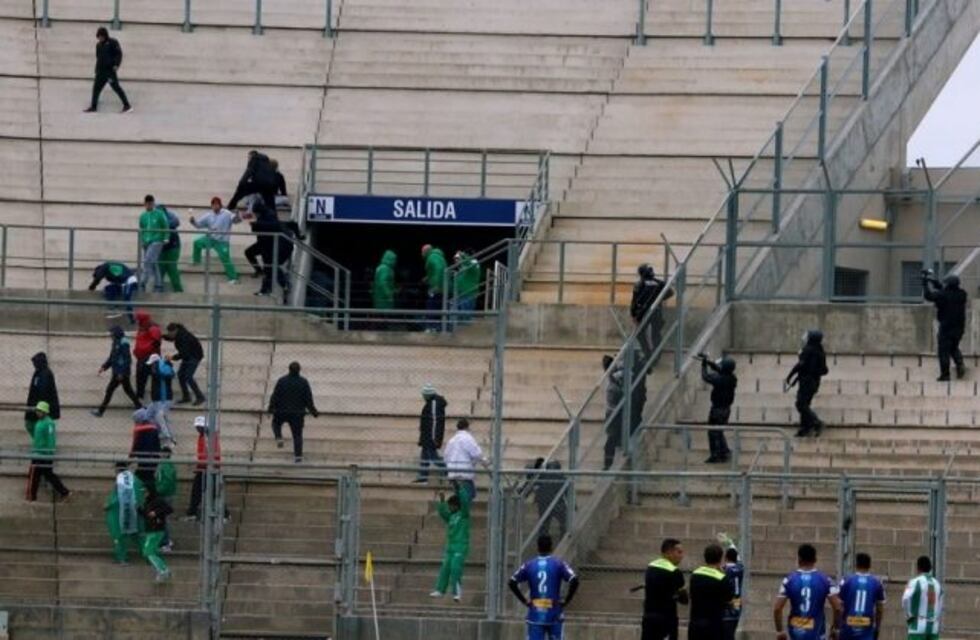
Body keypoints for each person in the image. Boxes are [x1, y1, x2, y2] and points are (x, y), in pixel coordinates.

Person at [508, 534, 580, 640]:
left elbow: (512, 582)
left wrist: (524, 601)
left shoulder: (529, 565)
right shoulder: (559, 564)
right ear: (551, 547)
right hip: (554, 613)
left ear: (537, 547)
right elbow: (574, 580)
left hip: (535, 614)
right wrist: (566, 600)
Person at [773, 543, 842, 640]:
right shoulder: (825, 580)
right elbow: (838, 607)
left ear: (799, 559)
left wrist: (780, 631)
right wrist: (836, 628)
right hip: (817, 634)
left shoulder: (789, 580)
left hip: (795, 633)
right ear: (815, 559)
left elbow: (777, 608)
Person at [267, 361, 319, 463]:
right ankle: (298, 457)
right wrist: (314, 412)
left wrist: (270, 408)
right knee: (297, 435)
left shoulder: (282, 381)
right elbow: (308, 399)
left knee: (276, 424)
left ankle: (279, 437)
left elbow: (275, 396)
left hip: (282, 411)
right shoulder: (303, 382)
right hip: (297, 413)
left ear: (289, 369)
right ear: (299, 370)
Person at [430, 483, 472, 603]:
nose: (450, 508)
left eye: (451, 506)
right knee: (445, 568)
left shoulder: (464, 515)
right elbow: (443, 513)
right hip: (450, 547)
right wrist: (442, 500)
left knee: (455, 569)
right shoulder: (452, 517)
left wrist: (458, 488)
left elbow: (464, 501)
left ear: (456, 505)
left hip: (460, 547)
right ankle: (440, 590)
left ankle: (457, 593)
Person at [923, 271, 967, 381]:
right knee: (953, 347)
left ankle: (945, 374)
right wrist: (937, 284)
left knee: (943, 351)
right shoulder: (962, 294)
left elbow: (929, 296)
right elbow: (947, 292)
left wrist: (925, 284)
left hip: (946, 327)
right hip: (959, 328)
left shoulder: (943, 295)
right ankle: (960, 363)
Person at [785, 330, 829, 438]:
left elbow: (800, 365)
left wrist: (790, 375)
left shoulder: (808, 350)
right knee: (805, 404)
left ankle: (816, 423)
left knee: (800, 404)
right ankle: (805, 427)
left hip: (806, 382)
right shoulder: (820, 351)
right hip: (814, 382)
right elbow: (824, 370)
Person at [643, 538, 689, 640]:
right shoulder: (674, 572)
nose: (682, 556)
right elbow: (683, 600)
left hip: (648, 617)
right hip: (666, 619)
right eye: (679, 552)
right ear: (669, 552)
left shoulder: (651, 566)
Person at [25, 402, 71, 502]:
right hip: (39, 453)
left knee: (34, 475)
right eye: (37, 410)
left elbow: (51, 439)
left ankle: (31, 497)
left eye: (40, 411)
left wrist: (49, 453)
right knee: (47, 475)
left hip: (42, 454)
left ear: (45, 412)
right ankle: (64, 492)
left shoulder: (48, 423)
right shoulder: (40, 422)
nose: (38, 412)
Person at [91, 325, 141, 417]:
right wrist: (104, 367)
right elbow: (112, 357)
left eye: (112, 333)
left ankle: (100, 411)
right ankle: (140, 408)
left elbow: (127, 359)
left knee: (110, 390)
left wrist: (121, 373)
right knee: (128, 390)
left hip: (120, 373)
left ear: (116, 333)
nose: (111, 335)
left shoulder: (123, 343)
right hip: (118, 372)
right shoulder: (116, 342)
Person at [688, 543, 734, 640]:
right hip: (713, 626)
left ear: (705, 557)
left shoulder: (695, 574)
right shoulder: (722, 578)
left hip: (695, 624)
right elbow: (729, 599)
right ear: (720, 558)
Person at [186, 416, 229, 520]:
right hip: (204, 467)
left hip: (210, 467)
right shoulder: (204, 436)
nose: (198, 429)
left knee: (212, 492)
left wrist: (203, 464)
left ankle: (225, 514)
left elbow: (212, 454)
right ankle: (192, 512)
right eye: (197, 427)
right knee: (200, 491)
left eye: (199, 427)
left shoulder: (209, 436)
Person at [191, 197, 241, 284]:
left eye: (217, 204)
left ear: (220, 205)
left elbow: (237, 221)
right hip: (210, 239)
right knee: (197, 243)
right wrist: (193, 221)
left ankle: (233, 278)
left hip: (222, 242)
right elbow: (198, 225)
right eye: (213, 204)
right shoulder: (208, 215)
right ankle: (196, 261)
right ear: (211, 206)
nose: (215, 206)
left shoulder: (227, 213)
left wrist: (237, 215)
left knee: (225, 259)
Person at [630, 264, 673, 363]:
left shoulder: (640, 284)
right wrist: (658, 299)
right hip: (653, 312)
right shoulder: (659, 283)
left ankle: (650, 355)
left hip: (645, 313)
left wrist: (633, 314)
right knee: (654, 334)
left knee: (643, 334)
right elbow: (670, 292)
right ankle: (654, 356)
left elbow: (634, 301)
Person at [105, 462, 146, 565]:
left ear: (117, 469)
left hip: (120, 513)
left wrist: (108, 504)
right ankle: (149, 557)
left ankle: (122, 558)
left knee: (120, 536)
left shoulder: (120, 480)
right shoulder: (135, 479)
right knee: (137, 536)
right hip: (136, 511)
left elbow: (117, 497)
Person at [84, 27, 132, 113]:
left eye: (101, 37)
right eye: (98, 37)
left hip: (109, 72)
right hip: (100, 72)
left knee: (116, 88)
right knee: (96, 89)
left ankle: (127, 106)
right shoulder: (98, 45)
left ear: (105, 35)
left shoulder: (113, 42)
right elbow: (98, 57)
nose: (100, 38)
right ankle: (93, 107)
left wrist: (116, 64)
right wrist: (97, 69)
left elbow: (119, 54)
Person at [838, 552, 885, 640]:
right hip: (866, 629)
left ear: (856, 565)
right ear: (869, 565)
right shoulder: (877, 583)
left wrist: (837, 626)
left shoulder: (846, 580)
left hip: (848, 629)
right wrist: (877, 628)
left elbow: (839, 607)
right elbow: (880, 609)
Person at [699, 354, 736, 463]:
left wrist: (703, 365)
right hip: (726, 409)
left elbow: (705, 376)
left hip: (717, 410)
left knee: (713, 432)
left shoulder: (719, 379)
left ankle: (715, 455)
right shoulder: (732, 378)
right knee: (719, 431)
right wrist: (711, 363)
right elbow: (722, 370)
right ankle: (724, 452)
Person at [443, 418, 488, 502]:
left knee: (459, 496)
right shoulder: (467, 438)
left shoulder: (452, 440)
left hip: (453, 474)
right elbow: (476, 453)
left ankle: (458, 509)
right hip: (464, 474)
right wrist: (485, 461)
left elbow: (446, 456)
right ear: (467, 427)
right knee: (469, 495)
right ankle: (463, 510)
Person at [523, 459, 568, 538]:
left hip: (546, 502)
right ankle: (563, 537)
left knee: (545, 523)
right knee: (562, 522)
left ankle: (545, 538)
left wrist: (523, 494)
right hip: (556, 503)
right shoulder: (561, 477)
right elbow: (568, 492)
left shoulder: (543, 475)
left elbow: (530, 483)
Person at [163, 323, 206, 406]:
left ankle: (200, 397)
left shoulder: (183, 337)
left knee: (188, 376)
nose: (169, 335)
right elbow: (171, 338)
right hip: (188, 356)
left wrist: (172, 357)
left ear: (175, 331)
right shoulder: (179, 334)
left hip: (194, 356)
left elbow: (184, 352)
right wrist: (162, 336)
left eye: (170, 333)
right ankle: (186, 397)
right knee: (181, 375)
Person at [902, 555, 942, 640]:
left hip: (918, 624)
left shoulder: (915, 581)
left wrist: (909, 616)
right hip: (933, 626)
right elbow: (940, 604)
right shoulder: (937, 584)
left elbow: (905, 599)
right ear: (930, 568)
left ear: (918, 568)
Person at [414, 384, 446, 483]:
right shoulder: (431, 403)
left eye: (424, 395)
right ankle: (423, 477)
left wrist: (435, 438)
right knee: (424, 456)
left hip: (430, 436)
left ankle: (448, 471)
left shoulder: (434, 403)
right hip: (427, 436)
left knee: (433, 457)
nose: (423, 397)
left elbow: (435, 422)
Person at [138, 195, 170, 293]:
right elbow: (142, 229)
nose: (149, 206)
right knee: (153, 262)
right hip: (146, 241)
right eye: (147, 204)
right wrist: (142, 240)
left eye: (151, 204)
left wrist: (166, 237)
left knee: (147, 260)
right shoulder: (143, 216)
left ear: (153, 203)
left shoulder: (159, 214)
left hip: (157, 240)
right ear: (145, 204)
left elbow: (165, 226)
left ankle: (142, 282)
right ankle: (158, 285)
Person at [25, 352, 60, 437]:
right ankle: (38, 441)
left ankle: (40, 442)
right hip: (36, 404)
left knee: (36, 426)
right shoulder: (38, 372)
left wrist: (40, 407)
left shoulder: (45, 373)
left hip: (41, 406)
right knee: (30, 424)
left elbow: (43, 391)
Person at [718, 534, 744, 640]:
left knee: (725, 633)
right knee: (732, 628)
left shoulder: (723, 570)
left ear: (726, 557)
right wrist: (730, 543)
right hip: (737, 601)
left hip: (727, 603)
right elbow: (738, 558)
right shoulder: (740, 568)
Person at [130, 407, 161, 496]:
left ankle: (153, 497)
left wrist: (130, 458)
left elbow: (137, 445)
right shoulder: (153, 429)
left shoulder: (142, 430)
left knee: (143, 478)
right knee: (147, 478)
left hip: (146, 460)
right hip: (151, 459)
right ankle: (152, 496)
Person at [146, 354, 176, 446]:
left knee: (160, 416)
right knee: (149, 415)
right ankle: (163, 433)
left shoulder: (157, 368)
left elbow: (160, 377)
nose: (151, 367)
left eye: (152, 364)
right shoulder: (161, 368)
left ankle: (167, 436)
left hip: (162, 398)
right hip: (157, 398)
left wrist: (164, 363)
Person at [133, 310, 162, 401]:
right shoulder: (142, 328)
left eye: (138, 320)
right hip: (142, 357)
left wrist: (145, 349)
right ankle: (140, 396)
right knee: (140, 378)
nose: (137, 322)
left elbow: (156, 343)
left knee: (154, 380)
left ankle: (155, 399)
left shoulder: (153, 328)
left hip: (151, 358)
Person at [602, 354, 624, 470]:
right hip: (614, 412)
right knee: (611, 438)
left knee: (611, 439)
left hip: (614, 412)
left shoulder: (614, 378)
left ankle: (608, 463)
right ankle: (608, 463)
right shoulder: (614, 378)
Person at [154, 445, 177, 552]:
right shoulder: (165, 464)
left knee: (163, 519)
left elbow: (167, 481)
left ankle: (166, 542)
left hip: (165, 495)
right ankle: (166, 540)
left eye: (162, 452)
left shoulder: (165, 465)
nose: (160, 454)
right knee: (163, 519)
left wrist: (157, 490)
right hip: (166, 494)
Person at [422, 244, 448, 332]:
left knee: (431, 306)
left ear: (426, 251)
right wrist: (428, 278)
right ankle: (436, 327)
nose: (422, 254)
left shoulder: (432, 257)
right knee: (437, 307)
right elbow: (436, 271)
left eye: (422, 252)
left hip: (436, 288)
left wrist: (436, 285)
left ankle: (431, 327)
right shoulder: (439, 257)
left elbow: (438, 269)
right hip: (443, 287)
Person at [158, 204, 184, 293]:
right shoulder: (152, 217)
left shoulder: (170, 215)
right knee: (160, 269)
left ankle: (178, 290)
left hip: (173, 246)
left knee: (172, 267)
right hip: (160, 247)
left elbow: (176, 222)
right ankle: (158, 290)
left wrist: (163, 224)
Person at [451, 250, 481, 324]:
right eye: (456, 259)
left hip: (468, 294)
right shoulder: (464, 268)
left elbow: (468, 263)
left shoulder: (473, 265)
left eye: (458, 259)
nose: (456, 261)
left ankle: (465, 328)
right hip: (461, 294)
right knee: (457, 315)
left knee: (465, 317)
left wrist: (462, 255)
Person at [372, 249, 398, 314]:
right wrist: (389, 294)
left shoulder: (381, 267)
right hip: (384, 299)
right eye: (394, 259)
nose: (395, 261)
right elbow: (383, 282)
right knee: (384, 315)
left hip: (379, 297)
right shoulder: (385, 269)